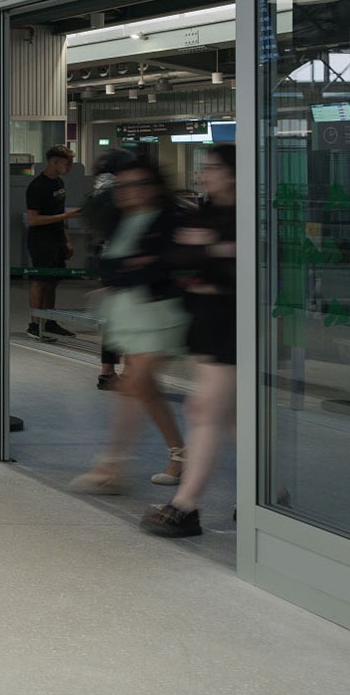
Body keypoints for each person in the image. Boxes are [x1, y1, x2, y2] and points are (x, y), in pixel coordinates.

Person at [71, 152, 189, 496]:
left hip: (159, 317)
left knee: (131, 386)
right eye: (123, 185)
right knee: (145, 390)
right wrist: (128, 268)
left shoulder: (168, 220)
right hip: (131, 316)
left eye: (137, 184)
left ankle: (111, 467)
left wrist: (128, 269)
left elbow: (153, 269)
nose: (129, 191)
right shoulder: (121, 221)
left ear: (154, 187)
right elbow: (110, 267)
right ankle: (179, 456)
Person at [145, 145, 238, 539]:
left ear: (235, 173)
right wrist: (212, 253)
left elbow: (231, 268)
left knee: (202, 410)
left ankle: (186, 505)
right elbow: (176, 257)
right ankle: (270, 490)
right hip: (206, 321)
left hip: (233, 324)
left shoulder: (245, 217)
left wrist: (205, 254)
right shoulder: (205, 213)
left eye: (213, 168)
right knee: (229, 416)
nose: (204, 175)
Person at [24, 146, 81, 341]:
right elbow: (32, 220)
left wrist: (66, 240)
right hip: (41, 241)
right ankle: (34, 323)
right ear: (54, 161)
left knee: (52, 281)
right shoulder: (37, 186)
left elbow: (59, 215)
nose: (70, 167)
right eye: (67, 163)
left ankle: (49, 320)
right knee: (40, 281)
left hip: (56, 239)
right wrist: (67, 215)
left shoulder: (58, 183)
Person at [78, 160, 125, 389]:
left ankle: (107, 371)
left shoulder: (98, 190)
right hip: (125, 257)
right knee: (130, 315)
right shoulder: (120, 187)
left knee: (113, 319)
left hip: (107, 256)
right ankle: (131, 372)